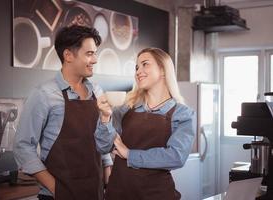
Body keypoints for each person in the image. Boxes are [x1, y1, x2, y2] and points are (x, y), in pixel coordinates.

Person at [13, 25, 113, 200]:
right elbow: (23, 146)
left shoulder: (97, 91)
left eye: (95, 53)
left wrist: (108, 177)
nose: (95, 59)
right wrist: (56, 189)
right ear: (68, 55)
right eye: (89, 53)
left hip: (95, 193)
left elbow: (102, 142)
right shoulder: (43, 94)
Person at [95, 47, 196, 200]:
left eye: (145, 64)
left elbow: (176, 156)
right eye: (136, 67)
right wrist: (105, 117)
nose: (138, 71)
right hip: (118, 193)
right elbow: (103, 146)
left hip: (156, 195)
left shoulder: (182, 114)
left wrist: (129, 154)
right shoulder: (125, 108)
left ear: (162, 69)